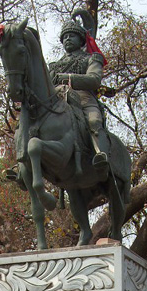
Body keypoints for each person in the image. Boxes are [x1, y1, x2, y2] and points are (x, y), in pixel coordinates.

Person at [49, 13, 109, 173]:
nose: (68, 39)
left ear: (81, 40)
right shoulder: (54, 65)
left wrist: (67, 78)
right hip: (57, 100)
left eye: (72, 36)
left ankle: (100, 154)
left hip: (83, 99)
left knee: (94, 121)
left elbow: (94, 79)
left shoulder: (91, 59)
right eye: (65, 37)